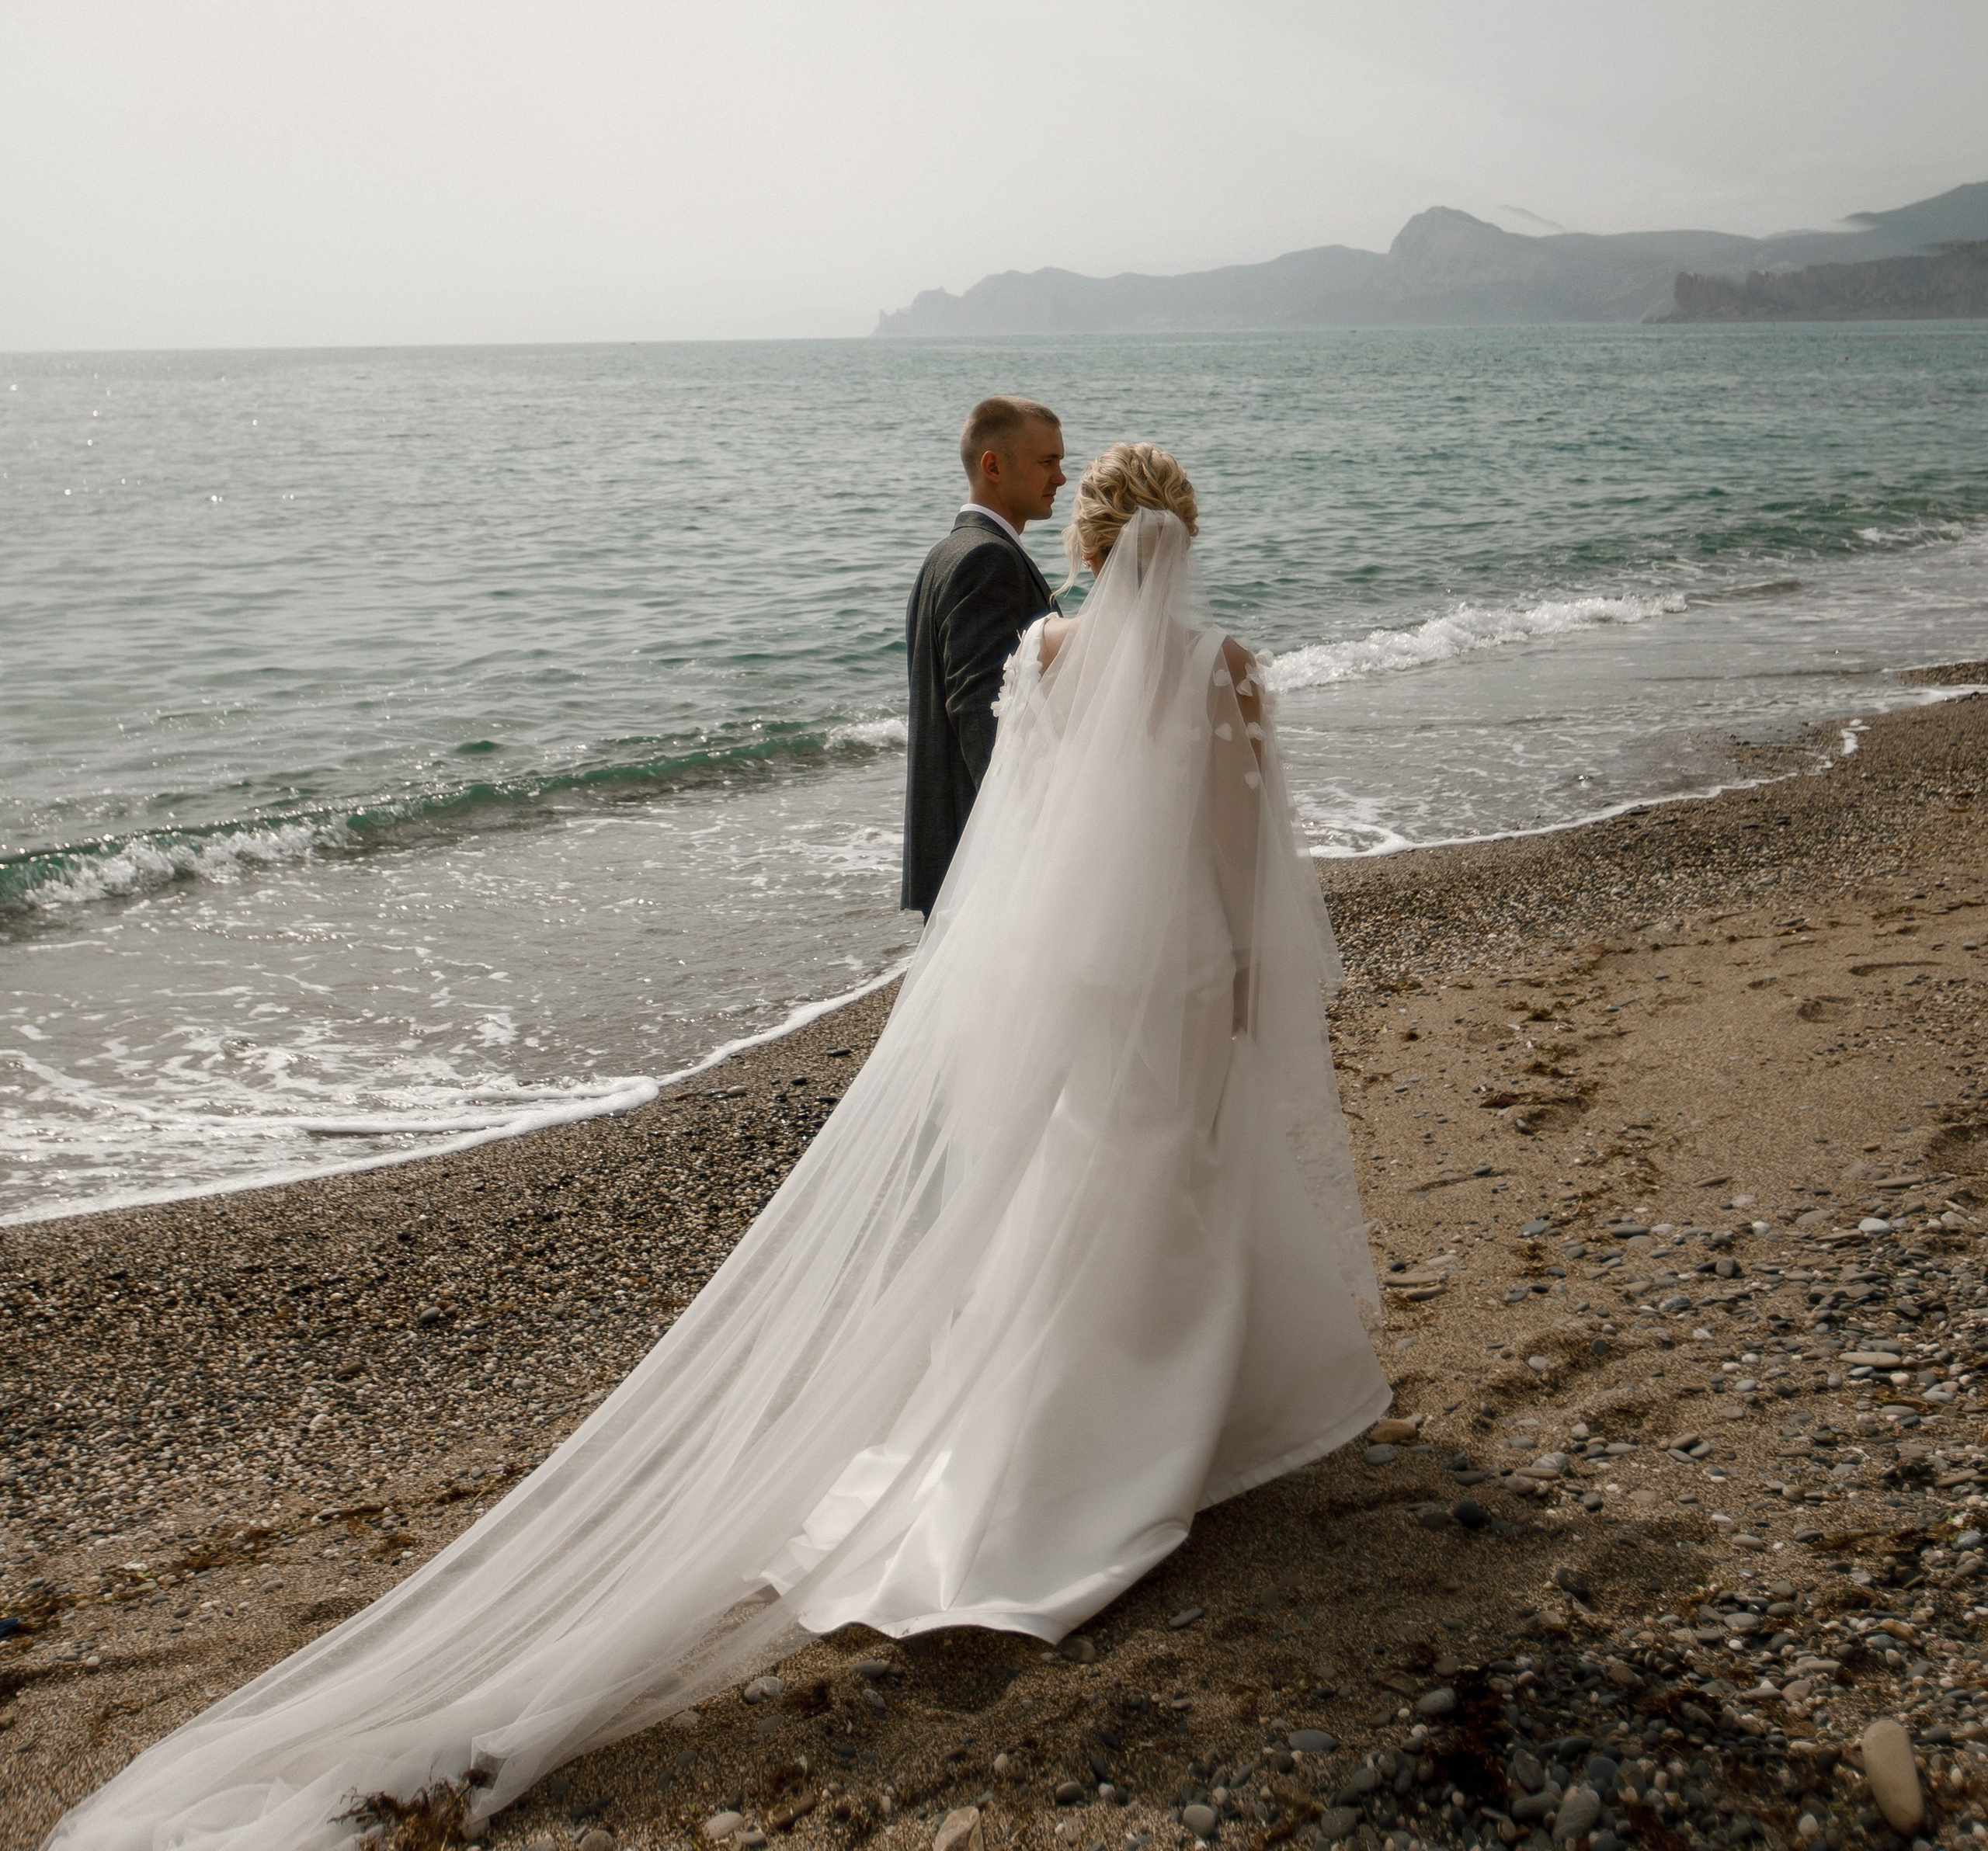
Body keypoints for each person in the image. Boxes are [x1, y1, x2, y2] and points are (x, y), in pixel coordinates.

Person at [47, 444, 1388, 1851]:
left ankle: (1043, 1459)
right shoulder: (1229, 667)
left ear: (1094, 543)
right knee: (1162, 1200)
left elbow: (1020, 844)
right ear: (1186, 542)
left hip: (1068, 985)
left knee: (1064, 1207)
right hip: (1171, 992)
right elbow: (1242, 859)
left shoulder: (1048, 654)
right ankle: (1144, 1455)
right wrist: (1242, 1000)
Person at [901, 394, 1065, 915]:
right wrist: (1030, 840)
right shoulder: (987, 560)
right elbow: (981, 716)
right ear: (993, 465)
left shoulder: (948, 553)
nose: (1061, 478)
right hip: (982, 858)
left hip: (957, 847)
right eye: (1048, 462)